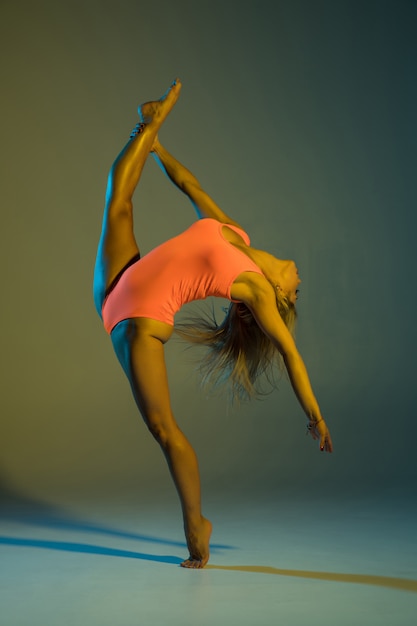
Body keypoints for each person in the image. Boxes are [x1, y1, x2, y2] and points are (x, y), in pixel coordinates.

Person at [93, 79, 333, 569]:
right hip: (122, 279)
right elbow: (190, 185)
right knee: (118, 197)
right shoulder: (232, 231)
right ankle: (148, 123)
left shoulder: (258, 290)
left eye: (299, 291)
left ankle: (195, 528)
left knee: (164, 430)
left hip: (140, 319)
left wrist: (315, 414)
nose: (300, 278)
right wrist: (158, 146)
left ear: (282, 295)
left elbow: (290, 353)